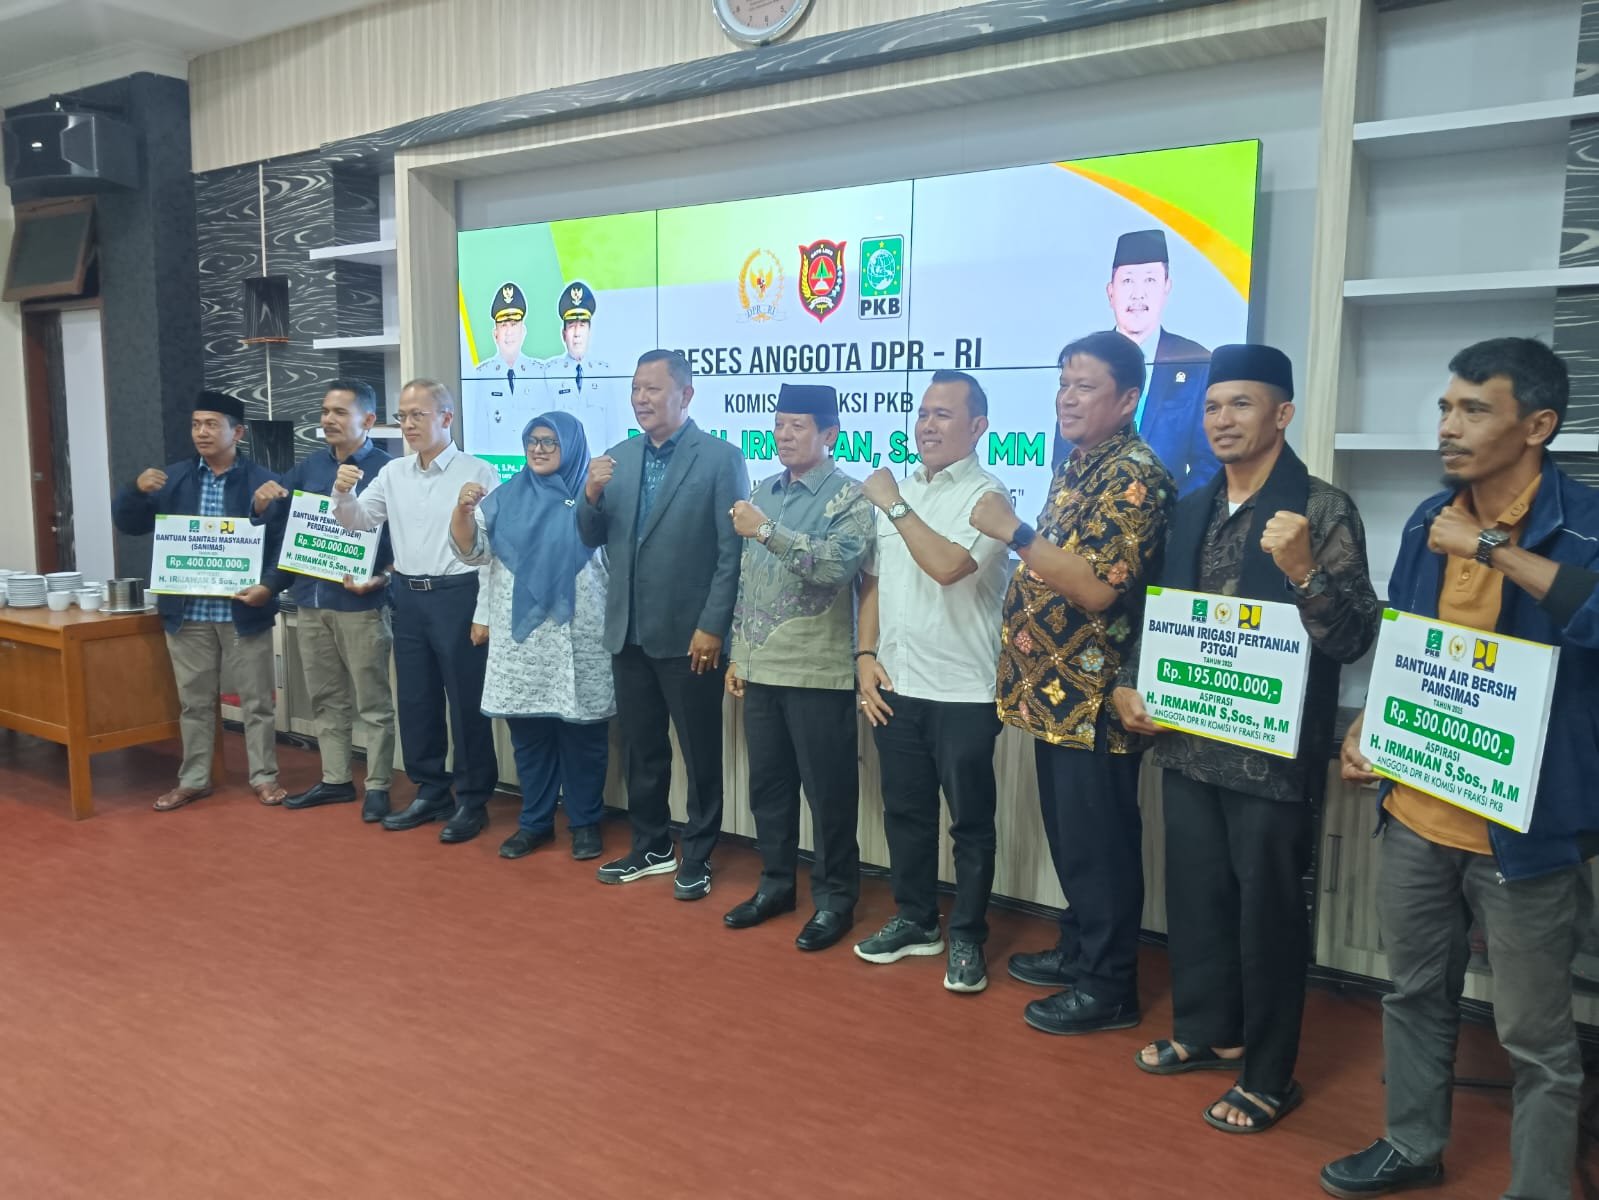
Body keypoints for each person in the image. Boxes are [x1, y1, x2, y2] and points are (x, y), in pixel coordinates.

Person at [1321, 338, 1599, 1200]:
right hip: (1417, 810)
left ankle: (1540, 1186)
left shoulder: (1583, 524)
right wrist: (1371, 718)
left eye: (1473, 409)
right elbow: (1409, 637)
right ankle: (1410, 1145)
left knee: (1533, 1037)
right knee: (1411, 994)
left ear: (1536, 425)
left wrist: (1487, 548)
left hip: (1524, 829)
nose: (1447, 426)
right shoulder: (1424, 520)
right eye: (1445, 407)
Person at [1109, 345, 1380, 1132]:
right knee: (1195, 897)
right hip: (1188, 742)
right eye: (1211, 406)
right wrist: (1128, 679)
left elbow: (1353, 638)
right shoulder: (1192, 503)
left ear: (1281, 414)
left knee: (1267, 916)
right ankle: (1206, 1031)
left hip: (1269, 757)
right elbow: (1160, 613)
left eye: (1241, 404)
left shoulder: (1319, 510)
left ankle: (1267, 1074)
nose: (1221, 420)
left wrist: (1304, 572)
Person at [978, 331, 1175, 1031]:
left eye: (1084, 386)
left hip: (1095, 700)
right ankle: (1079, 948)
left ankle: (1108, 986)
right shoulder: (1079, 463)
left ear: (1127, 399)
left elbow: (1095, 589)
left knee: (1101, 847)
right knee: (1071, 840)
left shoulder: (1135, 476)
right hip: (1052, 695)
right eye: (1063, 384)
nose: (1066, 398)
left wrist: (1014, 532)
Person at [853, 369, 1010, 993]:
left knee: (970, 824)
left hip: (963, 690)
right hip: (897, 682)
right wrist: (865, 654)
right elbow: (874, 583)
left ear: (978, 427)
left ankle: (967, 934)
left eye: (943, 414)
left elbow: (947, 566)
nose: (927, 425)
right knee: (905, 813)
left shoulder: (987, 496)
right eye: (922, 413)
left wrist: (893, 505)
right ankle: (917, 919)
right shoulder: (904, 486)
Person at [576, 349, 748, 899]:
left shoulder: (720, 459)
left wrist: (713, 625)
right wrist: (590, 494)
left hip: (690, 636)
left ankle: (697, 854)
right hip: (628, 632)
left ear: (686, 394)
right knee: (642, 749)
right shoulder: (617, 458)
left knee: (700, 753)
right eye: (635, 389)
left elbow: (731, 554)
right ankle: (650, 846)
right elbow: (590, 535)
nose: (641, 399)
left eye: (652, 388)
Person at [723, 383, 874, 951]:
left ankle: (835, 900)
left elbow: (836, 566)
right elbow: (748, 579)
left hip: (817, 672)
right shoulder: (763, 490)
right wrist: (739, 655)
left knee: (829, 796)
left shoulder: (849, 497)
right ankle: (776, 885)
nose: (783, 435)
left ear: (829, 434)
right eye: (779, 424)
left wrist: (766, 530)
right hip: (761, 669)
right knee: (769, 789)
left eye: (797, 426)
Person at [331, 379, 501, 845]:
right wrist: (343, 494)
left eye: (417, 415)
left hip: (458, 594)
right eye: (402, 416)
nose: (407, 425)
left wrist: (485, 612)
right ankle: (431, 790)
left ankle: (472, 799)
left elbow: (491, 551)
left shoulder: (478, 471)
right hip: (407, 595)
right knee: (416, 699)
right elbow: (358, 521)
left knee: (466, 704)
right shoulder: (393, 473)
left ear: (446, 417)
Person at [449, 412, 613, 862]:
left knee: (585, 742)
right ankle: (535, 823)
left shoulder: (595, 498)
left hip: (582, 640)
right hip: (523, 646)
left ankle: (584, 823)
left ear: (571, 446)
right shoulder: (504, 498)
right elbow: (471, 552)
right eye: (532, 441)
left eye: (549, 441)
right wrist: (462, 512)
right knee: (530, 741)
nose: (538, 449)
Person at [111, 390, 287, 810]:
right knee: (194, 703)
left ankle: (264, 777)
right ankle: (193, 779)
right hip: (187, 611)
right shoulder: (171, 479)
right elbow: (128, 524)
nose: (201, 432)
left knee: (257, 702)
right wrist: (135, 491)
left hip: (243, 609)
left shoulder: (263, 480)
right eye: (195, 425)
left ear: (237, 432)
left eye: (211, 424)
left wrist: (269, 586)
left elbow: (282, 544)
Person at [252, 379, 398, 823]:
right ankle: (335, 778)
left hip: (361, 605)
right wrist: (260, 503)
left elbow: (404, 541)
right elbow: (276, 521)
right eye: (324, 411)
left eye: (339, 412)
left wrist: (382, 578)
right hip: (310, 600)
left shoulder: (388, 471)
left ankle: (378, 785)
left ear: (368, 420)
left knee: (373, 702)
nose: (328, 420)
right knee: (326, 697)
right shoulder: (308, 468)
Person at [1051, 230, 1217, 496]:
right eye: (1128, 280)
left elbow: (1208, 464)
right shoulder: (1085, 361)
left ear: (1166, 287)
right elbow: (1063, 455)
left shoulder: (1196, 361)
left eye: (1150, 280)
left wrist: (1164, 506)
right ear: (1111, 292)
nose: (1138, 294)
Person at [539, 280, 611, 452]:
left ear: (589, 331)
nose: (577, 333)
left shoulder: (605, 372)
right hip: (563, 463)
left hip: (600, 463)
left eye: (582, 325)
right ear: (564, 334)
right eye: (572, 326)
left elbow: (614, 429)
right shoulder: (549, 373)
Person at [474, 281, 541, 384]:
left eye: (514, 324)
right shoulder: (479, 376)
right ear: (495, 335)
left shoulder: (540, 373)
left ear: (523, 332)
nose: (509, 332)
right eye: (503, 325)